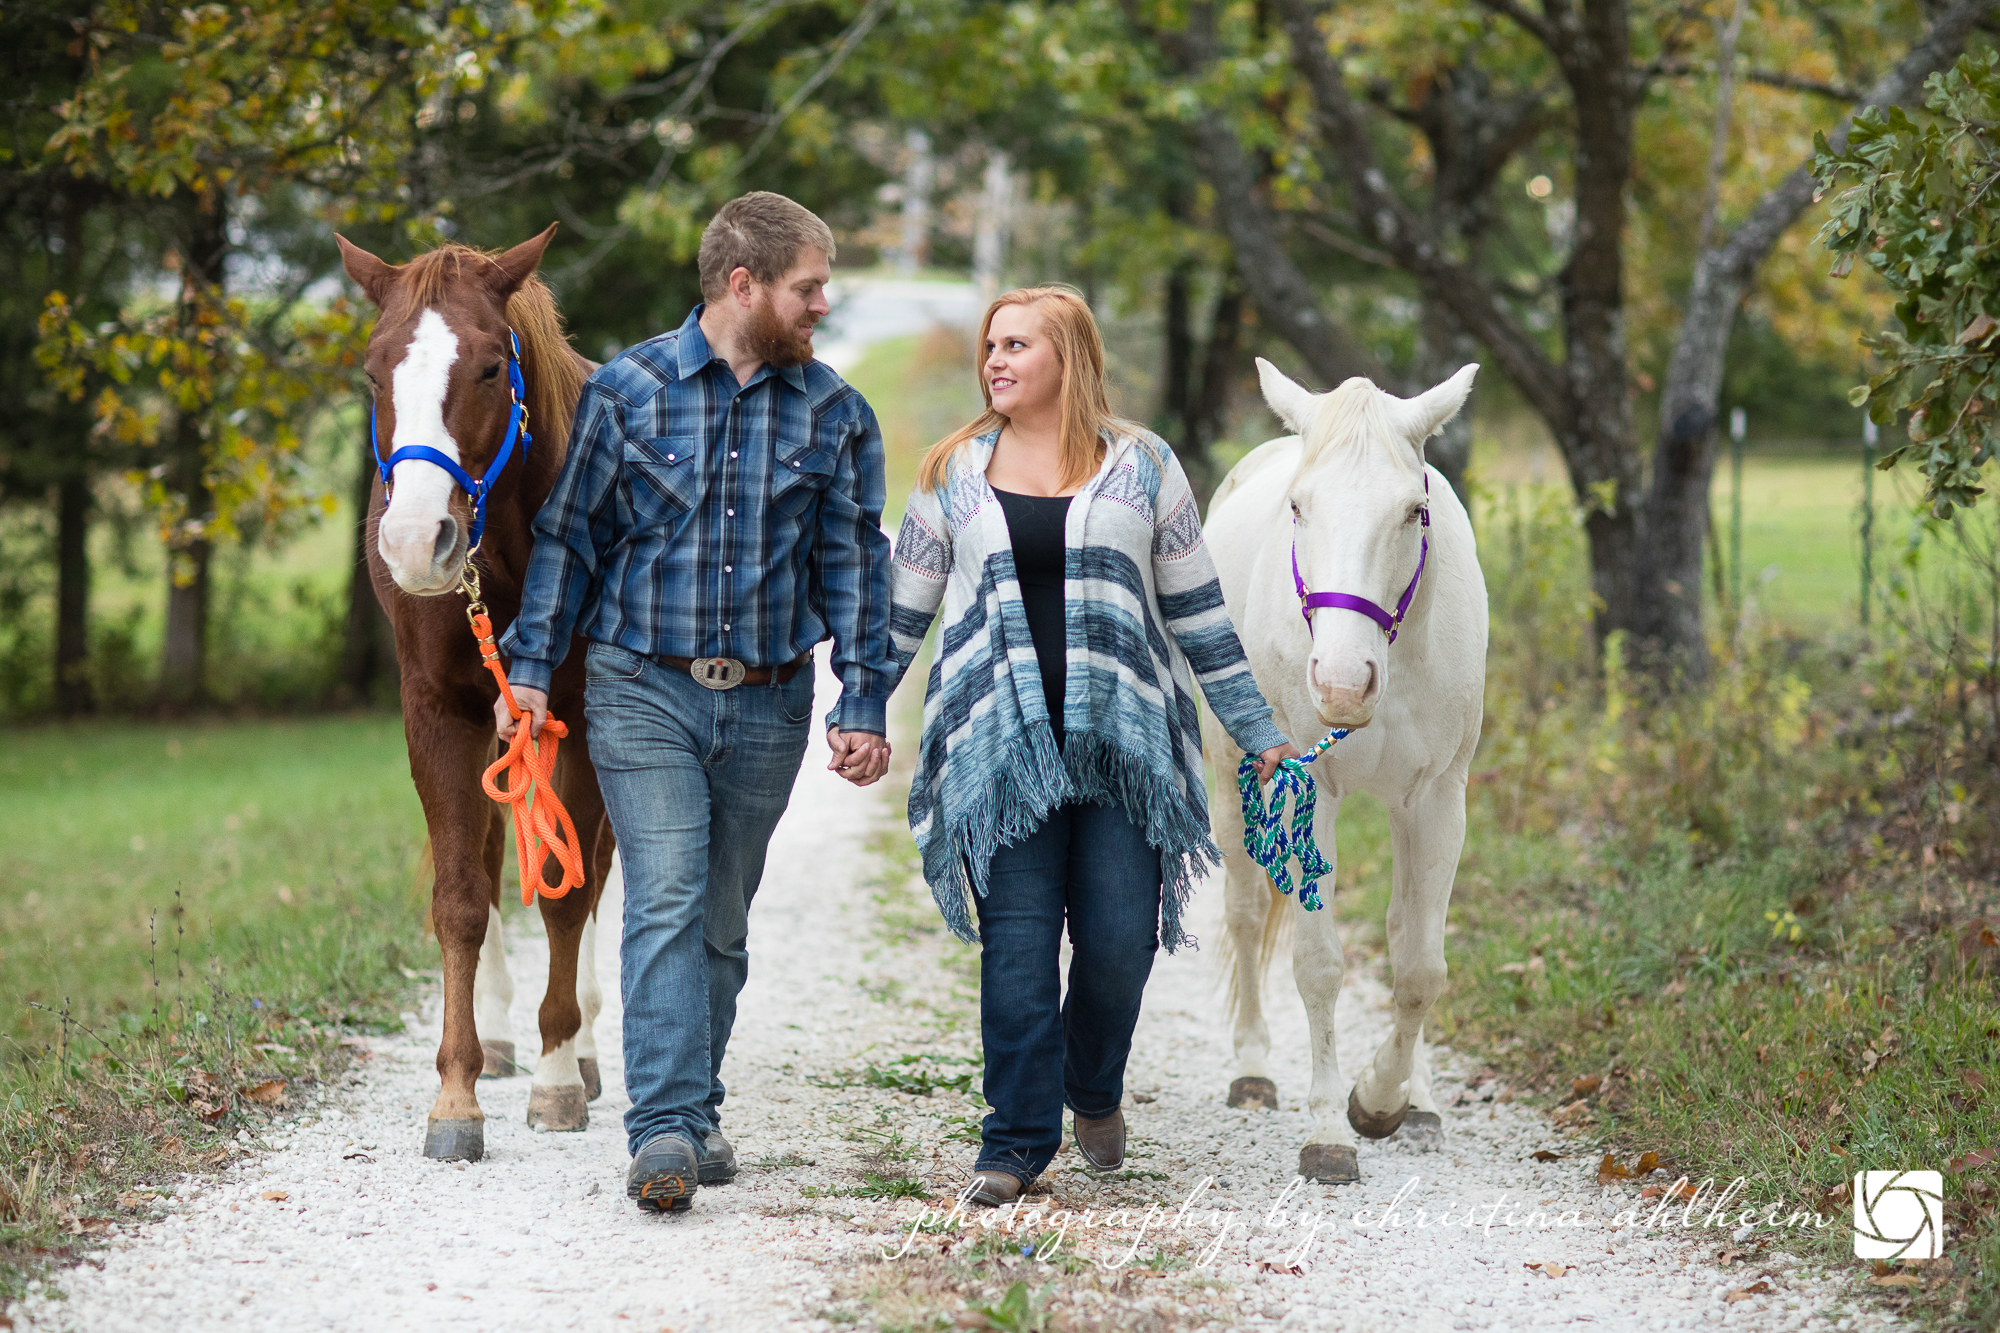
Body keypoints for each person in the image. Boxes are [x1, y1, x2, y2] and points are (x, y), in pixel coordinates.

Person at [497, 191, 895, 1213]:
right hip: (640, 690)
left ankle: (696, 1102)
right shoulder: (627, 392)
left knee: (720, 920)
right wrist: (532, 672)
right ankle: (664, 1127)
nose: (821, 305)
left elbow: (854, 561)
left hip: (768, 704)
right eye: (808, 287)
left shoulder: (837, 414)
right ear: (742, 285)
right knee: (665, 898)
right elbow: (571, 539)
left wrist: (863, 697)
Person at [885, 286, 1299, 1204]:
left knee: (1118, 944)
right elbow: (900, 613)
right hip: (1002, 754)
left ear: (1068, 359)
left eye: (1017, 344)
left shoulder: (1145, 465)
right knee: (1018, 953)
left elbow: (1200, 615)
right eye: (990, 344)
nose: (994, 359)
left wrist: (1259, 732)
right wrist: (860, 710)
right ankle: (1013, 1143)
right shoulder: (951, 471)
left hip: (1127, 749)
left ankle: (1093, 1085)